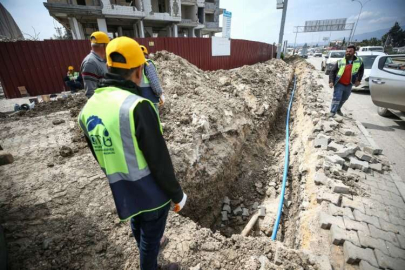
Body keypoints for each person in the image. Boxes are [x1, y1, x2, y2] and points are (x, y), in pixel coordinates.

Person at [78, 37, 186, 270]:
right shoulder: (137, 106)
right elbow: (159, 160)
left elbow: (101, 156)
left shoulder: (87, 109)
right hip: (151, 193)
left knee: (137, 224)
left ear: (108, 66)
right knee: (150, 239)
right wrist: (177, 195)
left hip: (123, 189)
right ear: (139, 71)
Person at [328, 45, 364, 117]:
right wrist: (331, 81)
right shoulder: (340, 61)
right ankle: (332, 112)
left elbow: (361, 71)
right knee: (337, 98)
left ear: (354, 52)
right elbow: (332, 71)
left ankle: (338, 109)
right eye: (347, 51)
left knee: (345, 98)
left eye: (350, 51)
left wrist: (359, 80)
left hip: (349, 83)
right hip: (339, 83)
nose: (348, 53)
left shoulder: (359, 61)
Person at [80, 31, 110, 98]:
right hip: (102, 105)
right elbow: (90, 93)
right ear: (104, 46)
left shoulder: (102, 60)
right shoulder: (90, 63)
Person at [139, 45, 165, 110]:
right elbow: (154, 82)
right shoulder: (147, 64)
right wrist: (160, 95)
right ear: (146, 54)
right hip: (150, 100)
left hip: (135, 101)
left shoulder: (131, 65)